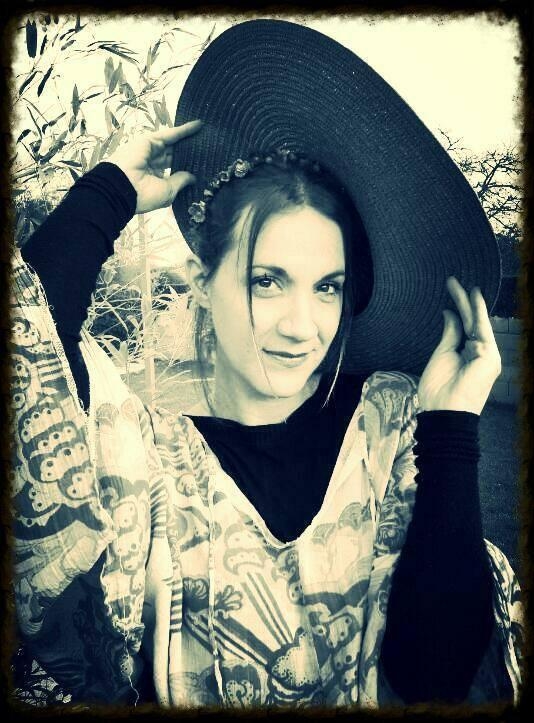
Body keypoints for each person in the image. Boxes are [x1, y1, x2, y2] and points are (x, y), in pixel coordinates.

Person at [10, 19, 522, 709]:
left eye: (327, 286)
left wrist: (452, 427)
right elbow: (28, 355)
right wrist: (108, 193)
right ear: (203, 283)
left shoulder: (389, 429)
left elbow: (437, 675)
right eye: (267, 280)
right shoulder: (153, 464)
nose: (302, 325)